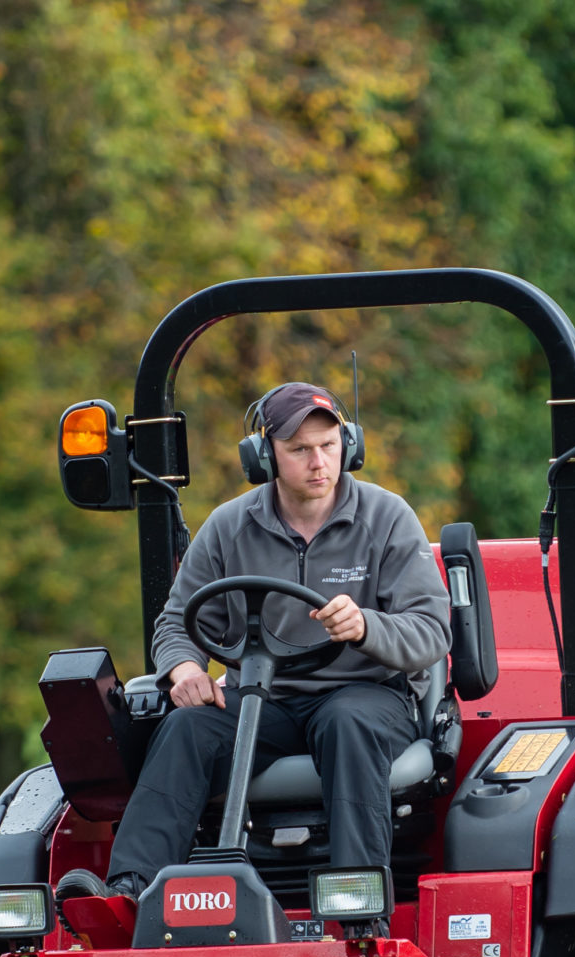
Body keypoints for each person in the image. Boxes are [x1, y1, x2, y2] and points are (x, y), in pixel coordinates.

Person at [56, 381, 449, 909]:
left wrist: (366, 627)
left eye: (329, 446)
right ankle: (129, 892)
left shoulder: (386, 518)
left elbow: (430, 631)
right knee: (186, 727)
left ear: (348, 446)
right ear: (265, 455)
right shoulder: (229, 527)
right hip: (265, 698)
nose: (318, 462)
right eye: (299, 449)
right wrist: (184, 669)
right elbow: (175, 623)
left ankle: (358, 899)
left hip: (366, 692)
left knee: (346, 721)